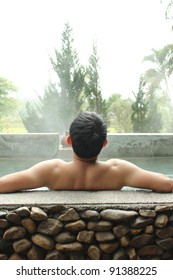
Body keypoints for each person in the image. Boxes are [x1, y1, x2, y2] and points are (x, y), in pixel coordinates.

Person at [0, 111, 173, 193]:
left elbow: (3, 184)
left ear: (69, 142)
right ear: (104, 143)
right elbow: (167, 184)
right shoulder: (118, 171)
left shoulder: (52, 171)